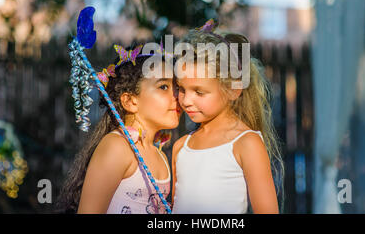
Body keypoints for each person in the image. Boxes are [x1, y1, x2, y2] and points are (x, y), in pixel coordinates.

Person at [171, 21, 284, 214]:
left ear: (233, 90)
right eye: (181, 89)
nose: (186, 100)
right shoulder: (181, 147)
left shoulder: (246, 143)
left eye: (199, 92)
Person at [56, 43, 181, 214]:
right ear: (130, 101)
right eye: (163, 87)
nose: (177, 96)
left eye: (177, 88)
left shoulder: (160, 155)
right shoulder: (118, 146)